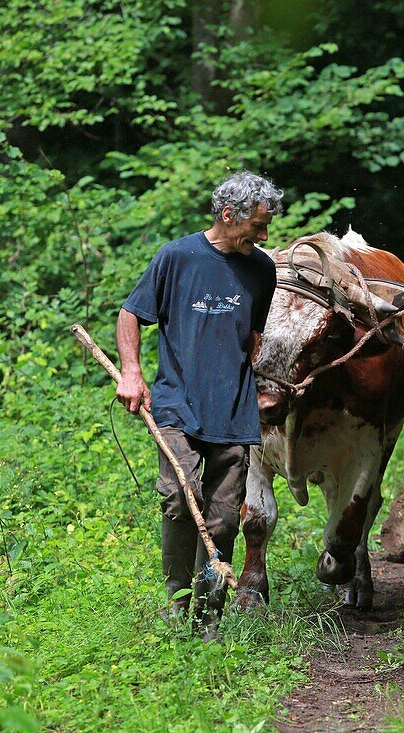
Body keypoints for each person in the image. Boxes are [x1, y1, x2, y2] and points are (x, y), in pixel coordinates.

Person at [115, 170, 282, 638]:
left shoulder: (261, 268)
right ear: (228, 216)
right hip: (177, 403)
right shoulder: (177, 257)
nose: (265, 236)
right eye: (259, 225)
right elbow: (131, 314)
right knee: (178, 495)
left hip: (232, 410)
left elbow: (253, 335)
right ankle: (176, 602)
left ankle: (208, 615)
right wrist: (132, 373)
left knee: (225, 516)